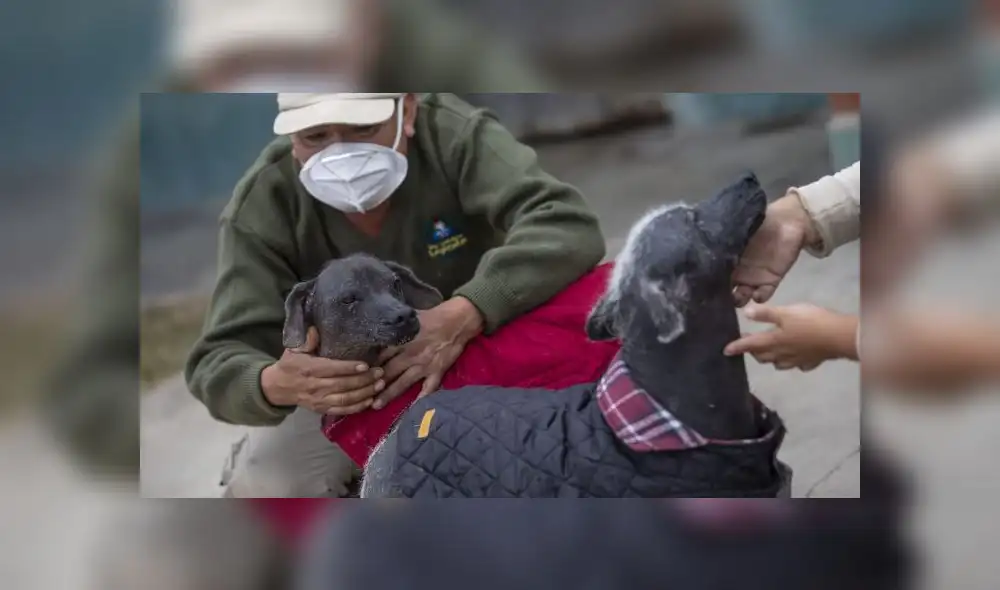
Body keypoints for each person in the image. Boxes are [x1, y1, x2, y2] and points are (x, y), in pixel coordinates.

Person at [184, 93, 606, 497]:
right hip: (349, 390)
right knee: (272, 484)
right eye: (315, 136)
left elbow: (567, 224)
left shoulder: (454, 135)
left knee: (565, 440)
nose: (340, 153)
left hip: (476, 340)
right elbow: (218, 360)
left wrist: (468, 311)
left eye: (362, 127)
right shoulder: (265, 200)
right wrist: (276, 384)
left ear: (406, 110)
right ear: (292, 141)